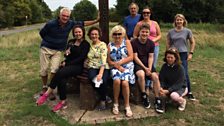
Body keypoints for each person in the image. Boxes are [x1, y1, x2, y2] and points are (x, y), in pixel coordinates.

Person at [39, 7, 99, 97]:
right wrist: (50, 40)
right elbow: (42, 33)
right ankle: (44, 86)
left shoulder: (70, 23)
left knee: (54, 70)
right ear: (59, 15)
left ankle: (49, 90)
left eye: (67, 16)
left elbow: (83, 23)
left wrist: (96, 21)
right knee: (44, 70)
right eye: (63, 16)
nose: (65, 18)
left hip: (58, 50)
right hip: (46, 48)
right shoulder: (51, 24)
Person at [36, 25, 90, 112]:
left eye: (79, 32)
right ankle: (63, 101)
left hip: (78, 67)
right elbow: (67, 55)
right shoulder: (71, 41)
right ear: (73, 33)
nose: (78, 34)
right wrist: (66, 54)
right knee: (61, 79)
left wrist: (67, 63)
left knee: (59, 73)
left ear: (83, 32)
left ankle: (47, 93)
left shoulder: (86, 44)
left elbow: (81, 58)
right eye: (76, 32)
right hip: (68, 65)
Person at [131, 24, 164, 113]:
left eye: (146, 32)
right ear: (139, 32)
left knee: (155, 77)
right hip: (138, 64)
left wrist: (149, 68)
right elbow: (135, 57)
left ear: (149, 33)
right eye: (143, 32)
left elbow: (150, 57)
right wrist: (145, 68)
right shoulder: (133, 42)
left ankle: (157, 98)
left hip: (148, 64)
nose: (144, 34)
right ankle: (144, 94)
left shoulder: (151, 43)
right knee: (141, 74)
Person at [166, 14, 196, 100]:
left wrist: (191, 53)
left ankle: (189, 91)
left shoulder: (187, 31)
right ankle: (173, 89)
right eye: (177, 20)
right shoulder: (171, 31)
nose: (179, 21)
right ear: (175, 21)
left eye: (180, 20)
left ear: (183, 21)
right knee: (172, 71)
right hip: (173, 53)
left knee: (184, 72)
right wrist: (167, 53)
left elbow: (192, 42)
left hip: (183, 54)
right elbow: (168, 42)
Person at [107, 25, 135, 117]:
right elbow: (109, 60)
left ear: (123, 34)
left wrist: (120, 62)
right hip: (115, 67)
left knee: (125, 83)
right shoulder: (110, 45)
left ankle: (127, 106)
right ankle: (116, 103)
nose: (117, 36)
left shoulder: (127, 42)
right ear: (112, 35)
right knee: (117, 81)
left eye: (119, 34)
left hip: (127, 65)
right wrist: (117, 66)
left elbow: (131, 57)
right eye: (115, 34)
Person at [86, 26, 111, 110]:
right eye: (92, 34)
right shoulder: (90, 45)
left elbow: (103, 60)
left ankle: (103, 100)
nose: (94, 36)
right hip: (92, 66)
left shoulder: (102, 45)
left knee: (102, 81)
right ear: (89, 35)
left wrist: (100, 74)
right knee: (92, 79)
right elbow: (88, 56)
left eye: (96, 34)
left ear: (99, 35)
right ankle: (105, 96)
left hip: (103, 67)